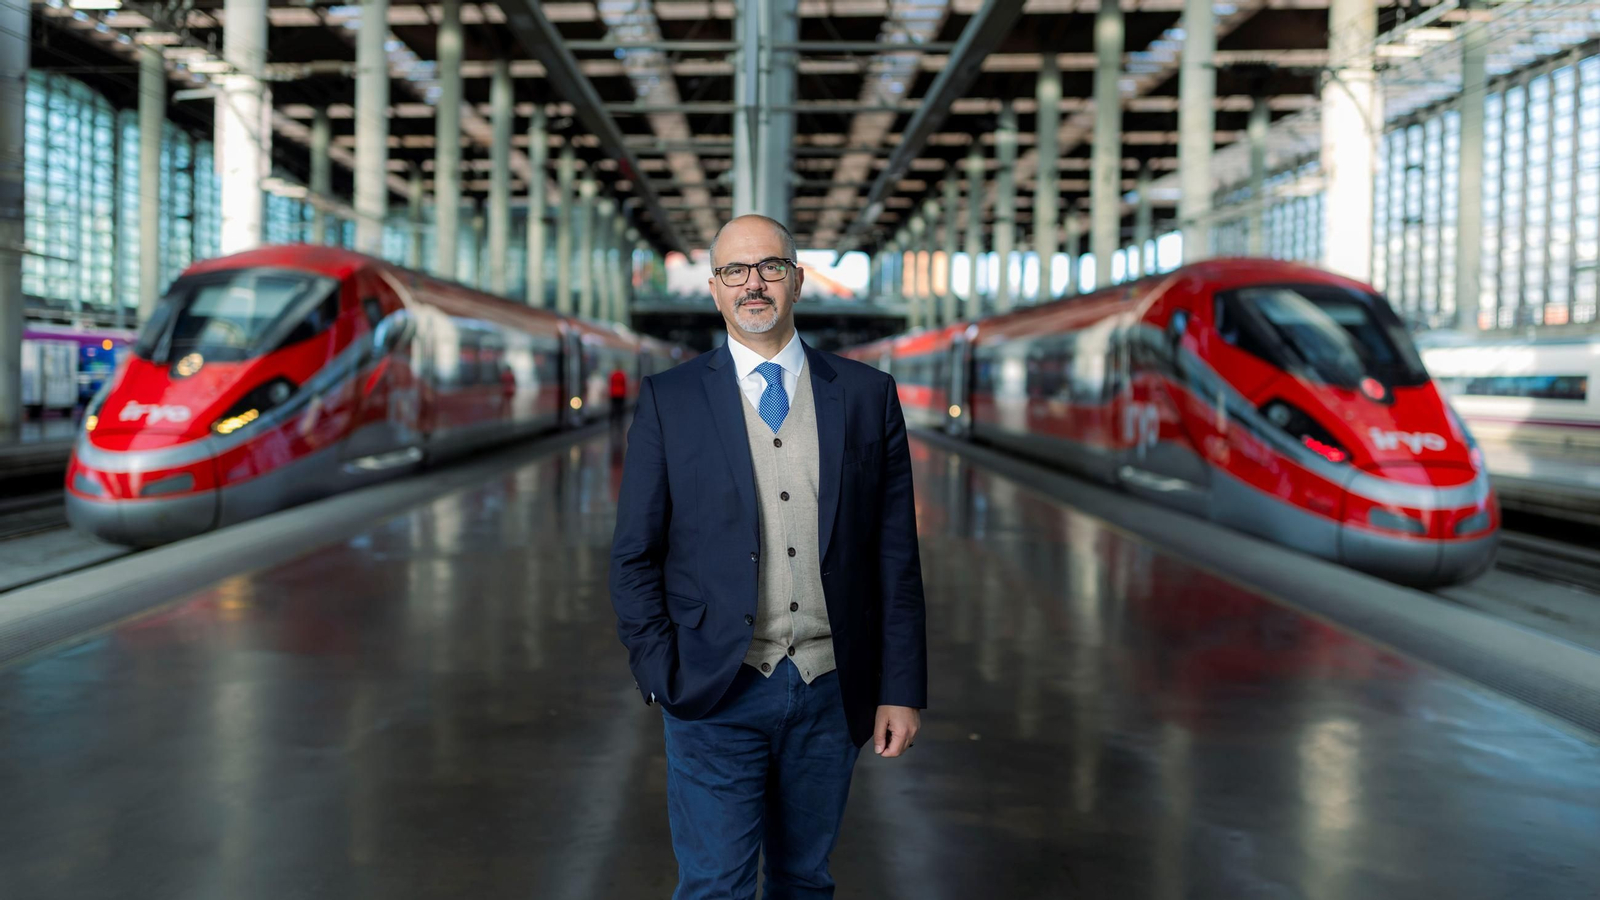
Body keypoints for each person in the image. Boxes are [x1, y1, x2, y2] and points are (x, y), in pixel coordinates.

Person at [610, 215, 927, 899]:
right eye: (734, 272)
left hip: (829, 688)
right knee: (715, 887)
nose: (753, 284)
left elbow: (894, 558)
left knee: (804, 881)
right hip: (713, 689)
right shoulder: (672, 399)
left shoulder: (868, 397)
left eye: (770, 268)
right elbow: (635, 552)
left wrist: (899, 687)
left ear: (797, 280)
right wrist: (660, 670)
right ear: (715, 290)